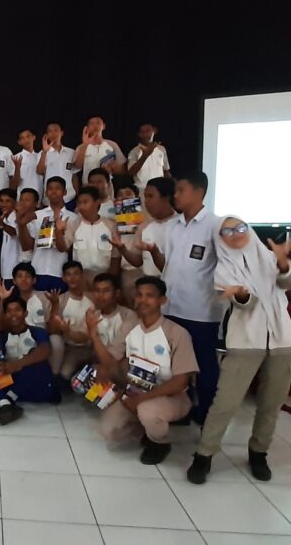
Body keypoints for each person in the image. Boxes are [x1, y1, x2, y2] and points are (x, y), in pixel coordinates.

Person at [188, 218, 291, 484]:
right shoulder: (223, 268)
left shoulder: (269, 257)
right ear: (220, 238)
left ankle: (259, 452)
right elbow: (246, 304)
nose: (235, 234)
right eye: (227, 231)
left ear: (249, 230)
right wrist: (240, 294)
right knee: (225, 403)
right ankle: (204, 454)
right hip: (244, 342)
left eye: (240, 228)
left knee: (271, 403)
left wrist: (282, 262)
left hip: (282, 340)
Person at [89, 276, 198, 465]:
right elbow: (109, 361)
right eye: (139, 295)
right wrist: (93, 334)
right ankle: (145, 429)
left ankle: (159, 443)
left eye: (150, 295)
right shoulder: (130, 326)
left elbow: (180, 382)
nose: (143, 300)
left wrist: (140, 399)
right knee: (108, 430)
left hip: (172, 396)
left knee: (147, 410)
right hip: (136, 389)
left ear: (162, 300)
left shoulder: (177, 333)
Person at [150, 171, 223, 424]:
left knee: (204, 367)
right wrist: (153, 253)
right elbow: (167, 266)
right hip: (172, 308)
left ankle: (207, 417)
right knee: (173, 367)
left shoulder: (215, 226)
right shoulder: (173, 227)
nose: (176, 195)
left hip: (201, 311)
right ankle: (180, 411)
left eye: (181, 190)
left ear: (199, 192)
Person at [0, 297, 57, 424]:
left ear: (25, 313)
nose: (13, 314)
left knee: (35, 360)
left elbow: (45, 350)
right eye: (9, 311)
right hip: (13, 384)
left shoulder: (38, 332)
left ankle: (3, 401)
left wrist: (18, 364)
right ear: (5, 315)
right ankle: (4, 404)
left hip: (37, 386)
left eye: (17, 310)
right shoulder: (4, 336)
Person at [113, 177, 177, 305]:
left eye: (150, 196)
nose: (146, 201)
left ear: (166, 197)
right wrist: (122, 249)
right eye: (145, 197)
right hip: (149, 288)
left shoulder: (181, 225)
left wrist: (154, 252)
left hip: (175, 289)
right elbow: (138, 261)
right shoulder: (144, 227)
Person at [19, 177, 76, 292]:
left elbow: (68, 249)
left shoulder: (73, 217)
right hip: (37, 270)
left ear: (65, 192)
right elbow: (27, 246)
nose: (53, 191)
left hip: (59, 272)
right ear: (45, 193)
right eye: (50, 189)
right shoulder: (37, 215)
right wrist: (21, 226)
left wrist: (59, 232)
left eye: (57, 188)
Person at [45, 261, 95, 379]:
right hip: (72, 348)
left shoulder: (93, 297)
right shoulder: (61, 299)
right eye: (68, 274)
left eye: (76, 273)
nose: (72, 278)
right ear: (63, 278)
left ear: (82, 276)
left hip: (93, 346)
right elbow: (52, 330)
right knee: (64, 374)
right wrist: (55, 305)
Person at [68, 186, 120, 287]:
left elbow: (116, 257)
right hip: (81, 279)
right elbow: (64, 248)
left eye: (85, 202)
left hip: (104, 278)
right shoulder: (74, 224)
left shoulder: (110, 225)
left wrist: (111, 280)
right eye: (79, 203)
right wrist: (59, 232)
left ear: (97, 203)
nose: (81, 206)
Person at [0, 188, 27, 288]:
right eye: (1, 201)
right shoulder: (4, 217)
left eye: (8, 201)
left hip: (15, 269)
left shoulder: (17, 216)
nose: (3, 204)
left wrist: (1, 225)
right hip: (5, 271)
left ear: (15, 202)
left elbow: (14, 232)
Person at [37, 124, 79, 205]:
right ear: (46, 135)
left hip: (69, 197)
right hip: (50, 199)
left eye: (56, 130)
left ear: (61, 133)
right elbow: (40, 171)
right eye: (50, 131)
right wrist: (44, 152)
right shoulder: (42, 153)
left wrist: (77, 195)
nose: (53, 133)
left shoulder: (71, 152)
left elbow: (74, 175)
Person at [74, 116, 125, 182]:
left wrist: (112, 168)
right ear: (87, 128)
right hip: (88, 184)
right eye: (92, 124)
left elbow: (122, 169)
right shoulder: (81, 147)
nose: (95, 126)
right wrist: (85, 145)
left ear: (103, 126)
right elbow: (77, 167)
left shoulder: (112, 145)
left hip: (107, 184)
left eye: (98, 123)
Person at [126, 123, 171, 194]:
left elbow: (166, 170)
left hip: (159, 190)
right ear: (139, 134)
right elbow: (131, 172)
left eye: (147, 131)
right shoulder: (134, 151)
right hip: (141, 190)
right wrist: (145, 155)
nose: (145, 135)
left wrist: (169, 184)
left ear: (154, 131)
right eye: (142, 132)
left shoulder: (161, 149)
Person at [13, 128, 43, 200]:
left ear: (34, 137)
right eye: (22, 138)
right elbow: (15, 183)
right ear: (19, 142)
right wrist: (17, 167)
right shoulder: (16, 157)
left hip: (39, 197)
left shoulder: (40, 156)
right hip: (22, 198)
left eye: (28, 136)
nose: (26, 140)